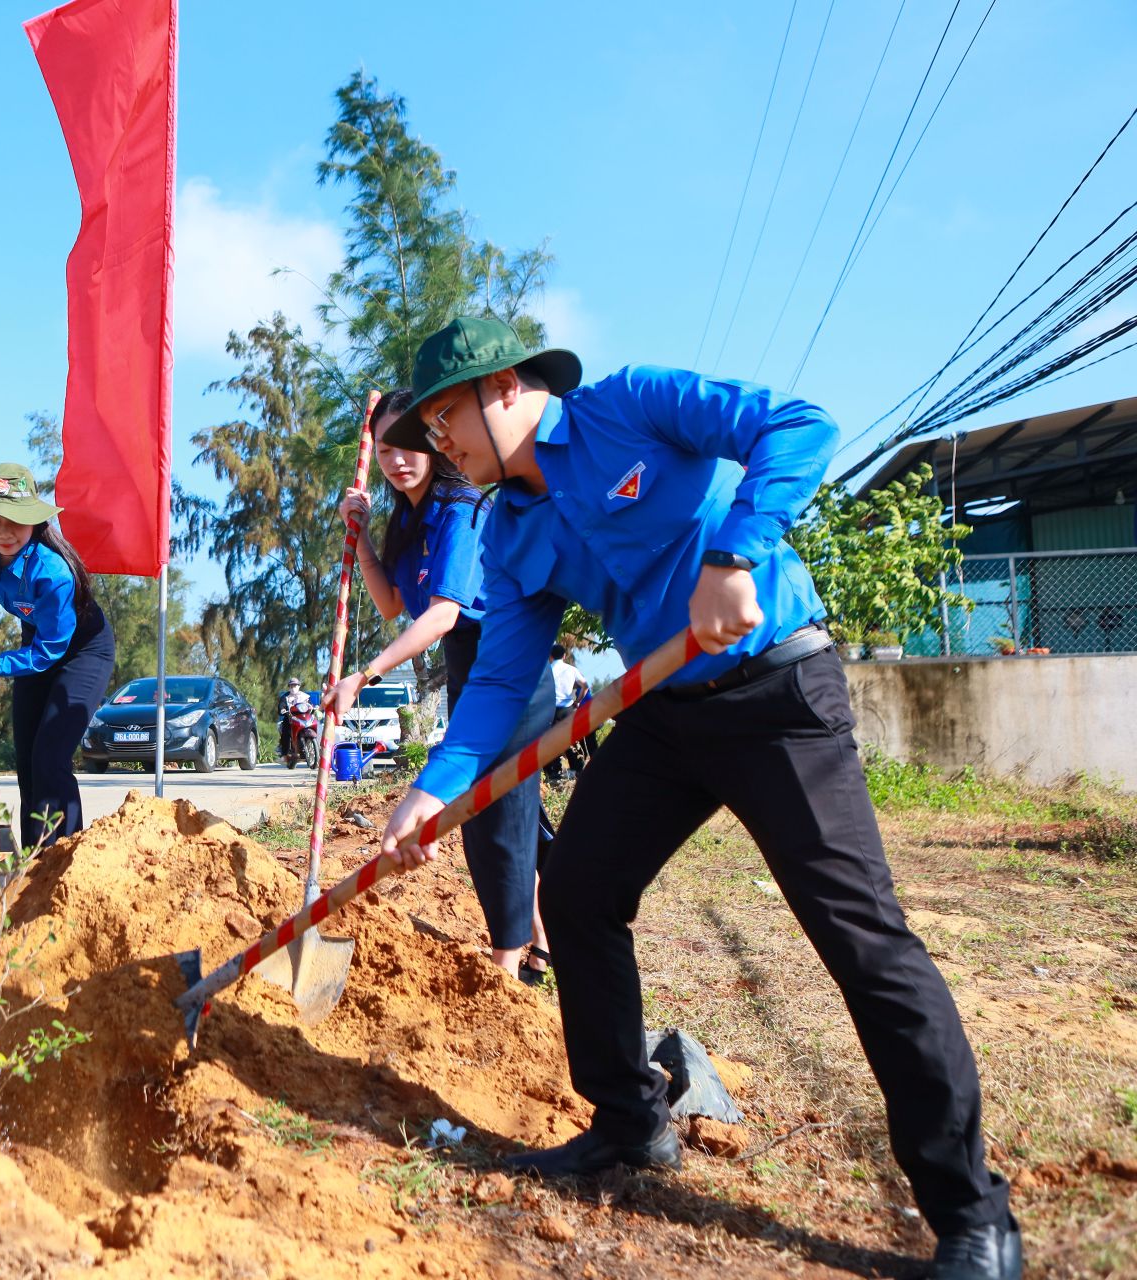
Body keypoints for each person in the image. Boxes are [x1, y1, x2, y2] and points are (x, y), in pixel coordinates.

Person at [377, 316, 1019, 1280]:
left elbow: (801, 425)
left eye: (445, 419)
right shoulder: (509, 529)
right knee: (581, 891)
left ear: (503, 387)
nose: (440, 446)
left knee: (858, 934)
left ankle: (973, 1215)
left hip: (775, 690)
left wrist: (736, 556)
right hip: (665, 713)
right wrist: (430, 793)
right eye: (427, 429)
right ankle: (631, 1119)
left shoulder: (629, 406)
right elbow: (500, 685)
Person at [326, 389, 554, 981]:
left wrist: (365, 674)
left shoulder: (463, 508)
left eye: (408, 443)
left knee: (493, 815)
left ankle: (506, 967)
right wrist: (364, 535)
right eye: (384, 448)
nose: (397, 458)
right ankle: (540, 940)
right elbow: (392, 603)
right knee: (502, 812)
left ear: (433, 442)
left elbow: (445, 613)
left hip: (509, 668)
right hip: (467, 669)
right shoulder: (409, 516)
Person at [0, 463, 114, 850]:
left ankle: (62, 854)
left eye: (15, 521)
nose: (4, 533)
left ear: (34, 521)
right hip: (36, 642)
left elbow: (49, 653)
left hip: (79, 648)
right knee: (26, 758)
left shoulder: (53, 573)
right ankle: (32, 858)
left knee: (50, 754)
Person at [542, 644, 590, 784]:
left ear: (550, 656)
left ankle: (553, 772)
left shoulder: (547, 670)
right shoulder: (571, 669)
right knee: (570, 740)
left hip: (549, 709)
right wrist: (578, 701)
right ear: (564, 656)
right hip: (567, 708)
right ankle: (578, 769)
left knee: (549, 741)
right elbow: (585, 685)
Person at [278, 677, 314, 759]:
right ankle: (285, 752)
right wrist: (282, 709)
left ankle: (316, 747)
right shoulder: (285, 697)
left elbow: (310, 704)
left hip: (304, 718)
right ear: (289, 687)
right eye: (291, 686)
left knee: (315, 725)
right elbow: (281, 705)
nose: (293, 687)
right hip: (291, 718)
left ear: (299, 686)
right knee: (285, 731)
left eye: (295, 685)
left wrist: (314, 707)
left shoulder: (305, 696)